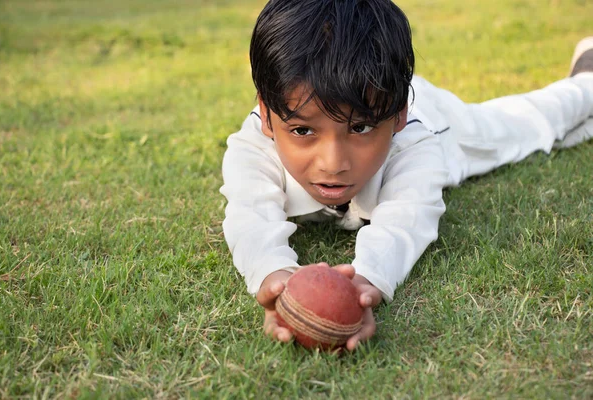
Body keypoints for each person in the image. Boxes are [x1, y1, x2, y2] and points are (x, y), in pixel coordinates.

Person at [219, 0, 593, 351]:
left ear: (397, 115)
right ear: (267, 116)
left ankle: (586, 81)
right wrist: (274, 275)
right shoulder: (253, 146)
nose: (332, 163)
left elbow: (408, 217)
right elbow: (249, 215)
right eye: (303, 131)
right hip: (373, 94)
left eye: (360, 128)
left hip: (441, 123)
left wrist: (367, 281)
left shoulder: (414, 140)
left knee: (529, 126)